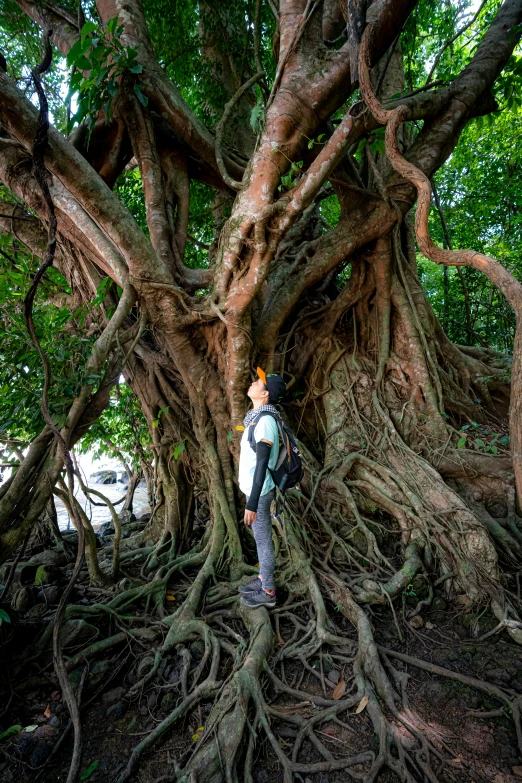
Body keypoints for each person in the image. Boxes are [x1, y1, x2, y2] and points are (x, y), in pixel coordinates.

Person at [238, 368, 286, 609]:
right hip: (255, 490)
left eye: (258, 382)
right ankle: (262, 579)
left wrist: (252, 502)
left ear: (265, 394)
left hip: (260, 492)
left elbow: (261, 465)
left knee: (264, 540)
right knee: (260, 538)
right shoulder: (257, 418)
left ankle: (268, 591)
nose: (253, 383)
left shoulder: (266, 421)